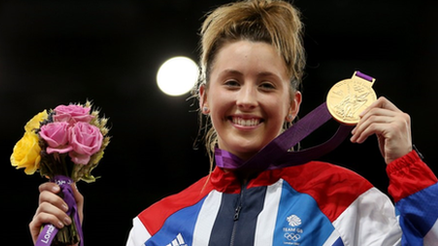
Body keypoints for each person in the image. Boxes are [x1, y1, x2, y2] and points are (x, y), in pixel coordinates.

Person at [30, 0, 438, 245]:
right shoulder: (156, 226)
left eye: (265, 85)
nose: (246, 99)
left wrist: (406, 167)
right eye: (231, 82)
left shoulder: (348, 201)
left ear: (293, 104)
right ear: (205, 98)